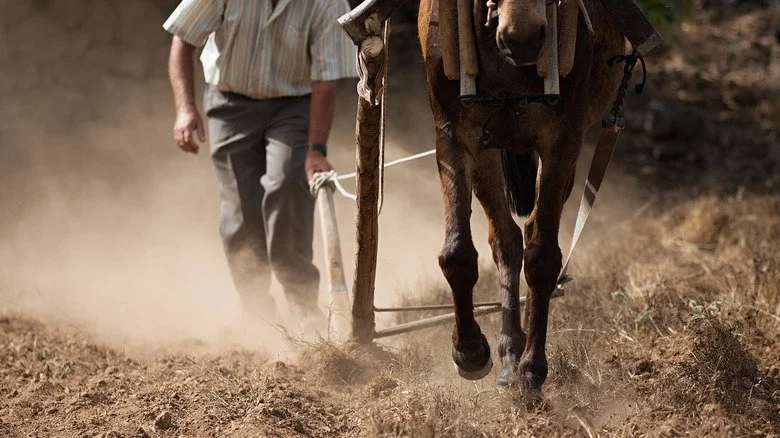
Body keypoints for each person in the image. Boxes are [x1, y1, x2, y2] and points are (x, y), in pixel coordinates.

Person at [163, 0, 357, 324]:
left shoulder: (326, 3)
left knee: (285, 183)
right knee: (239, 214)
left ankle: (302, 306)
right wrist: (185, 108)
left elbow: (325, 82)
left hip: (291, 107)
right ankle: (256, 313)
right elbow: (183, 38)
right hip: (229, 104)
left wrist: (315, 149)